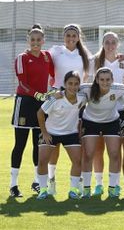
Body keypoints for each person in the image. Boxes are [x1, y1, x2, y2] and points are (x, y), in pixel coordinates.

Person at [10, 24, 55, 197]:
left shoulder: (47, 57)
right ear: (28, 40)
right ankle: (13, 185)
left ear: (43, 41)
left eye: (39, 39)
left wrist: (50, 92)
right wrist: (37, 94)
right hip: (25, 102)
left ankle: (37, 182)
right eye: (33, 39)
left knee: (38, 144)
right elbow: (22, 83)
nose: (36, 43)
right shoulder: (22, 57)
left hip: (41, 103)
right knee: (20, 145)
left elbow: (53, 75)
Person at [47, 23, 91, 195]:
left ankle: (77, 182)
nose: (71, 38)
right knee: (54, 143)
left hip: (76, 101)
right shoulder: (56, 51)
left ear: (78, 37)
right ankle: (51, 181)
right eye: (68, 35)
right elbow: (42, 58)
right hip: (57, 99)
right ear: (64, 37)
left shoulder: (84, 54)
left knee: (78, 138)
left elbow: (90, 72)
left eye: (74, 36)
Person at [89, 32, 124, 196]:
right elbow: (87, 81)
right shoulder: (94, 61)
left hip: (118, 112)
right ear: (102, 43)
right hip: (97, 112)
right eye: (107, 42)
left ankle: (114, 185)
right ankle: (98, 184)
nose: (110, 45)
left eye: (113, 42)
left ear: (118, 44)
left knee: (115, 151)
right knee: (98, 149)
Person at [79, 67, 124, 198]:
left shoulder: (119, 89)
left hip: (111, 122)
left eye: (108, 79)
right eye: (101, 79)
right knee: (89, 154)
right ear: (96, 80)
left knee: (114, 154)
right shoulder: (86, 89)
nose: (105, 82)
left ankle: (113, 188)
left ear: (112, 80)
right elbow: (69, 89)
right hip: (90, 122)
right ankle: (86, 188)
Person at [36, 71, 86, 199]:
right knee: (42, 161)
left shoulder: (82, 97)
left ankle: (73, 190)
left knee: (77, 161)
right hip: (51, 133)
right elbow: (40, 113)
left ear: (79, 85)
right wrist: (44, 133)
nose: (73, 87)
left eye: (76, 84)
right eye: (70, 83)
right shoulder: (55, 98)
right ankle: (43, 190)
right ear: (64, 84)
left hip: (71, 133)